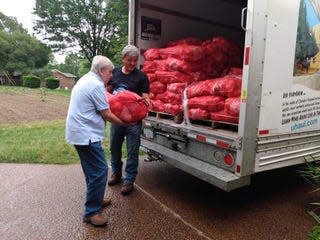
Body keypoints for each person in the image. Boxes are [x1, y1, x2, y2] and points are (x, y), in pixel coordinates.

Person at [65, 55, 126, 227]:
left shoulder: (86, 79)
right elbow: (106, 113)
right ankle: (91, 212)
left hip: (79, 132)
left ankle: (96, 200)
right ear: (101, 71)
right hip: (86, 135)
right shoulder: (95, 84)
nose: (112, 75)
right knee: (99, 170)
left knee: (91, 170)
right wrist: (125, 123)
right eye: (109, 72)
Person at [107, 44, 150, 195]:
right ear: (123, 58)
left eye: (135, 60)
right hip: (117, 119)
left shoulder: (141, 77)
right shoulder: (115, 73)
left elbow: (146, 98)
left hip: (134, 122)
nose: (132, 63)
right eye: (129, 60)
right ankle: (117, 173)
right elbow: (108, 93)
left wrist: (146, 104)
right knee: (114, 147)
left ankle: (129, 180)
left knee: (132, 150)